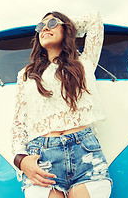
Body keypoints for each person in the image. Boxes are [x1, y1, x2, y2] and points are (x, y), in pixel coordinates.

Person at [11, 11, 112, 198]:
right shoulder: (25, 74)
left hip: (85, 152)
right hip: (42, 156)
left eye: (51, 23)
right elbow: (19, 120)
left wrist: (65, 25)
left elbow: (94, 19)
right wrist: (20, 159)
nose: (45, 28)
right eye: (40, 27)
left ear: (67, 29)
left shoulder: (84, 63)